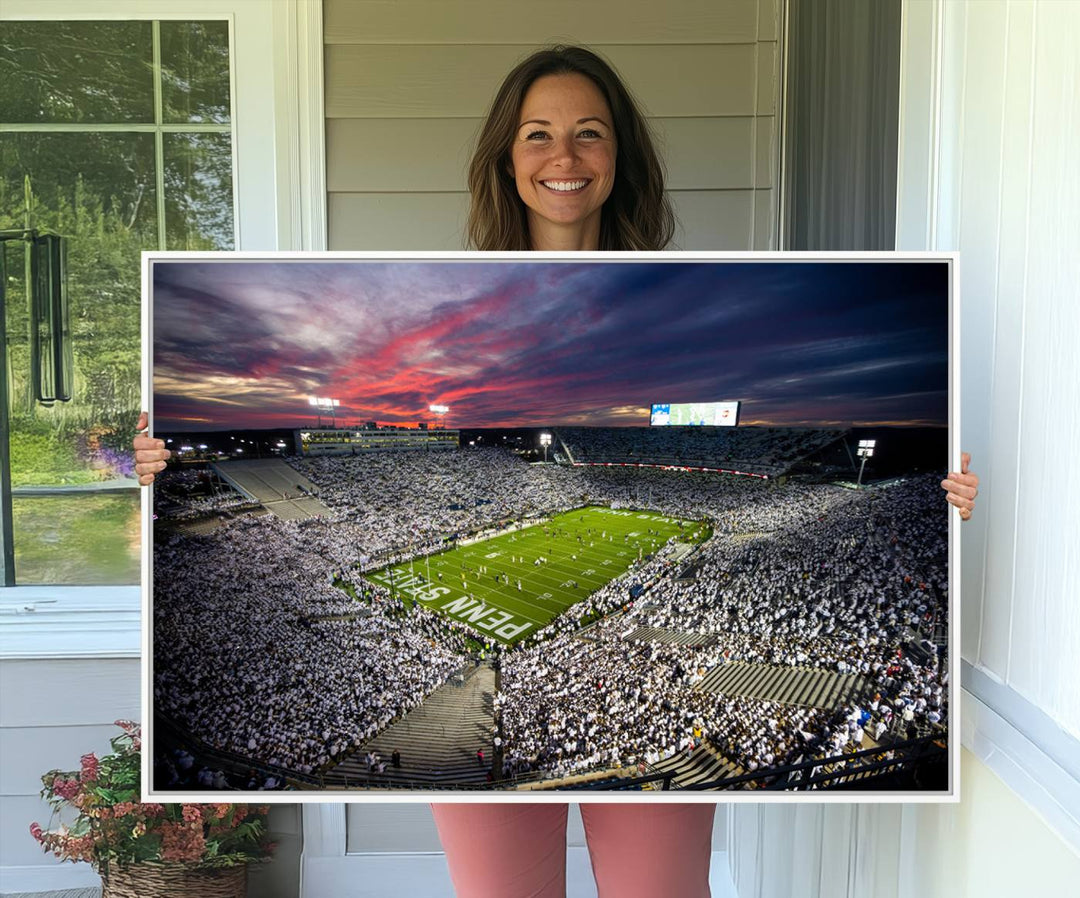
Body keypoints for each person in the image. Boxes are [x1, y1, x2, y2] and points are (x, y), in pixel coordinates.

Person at [133, 43, 978, 898]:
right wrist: (153, 465)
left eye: (589, 134)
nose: (563, 157)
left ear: (621, 157)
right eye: (537, 134)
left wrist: (945, 500)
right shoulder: (454, 289)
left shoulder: (692, 286)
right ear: (506, 157)